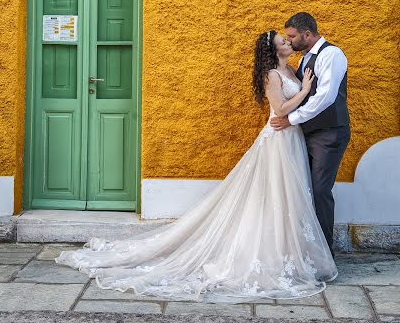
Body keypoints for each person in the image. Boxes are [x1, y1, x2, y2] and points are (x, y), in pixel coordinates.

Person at [56, 30, 338, 302]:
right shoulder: (273, 74)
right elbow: (280, 110)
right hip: (278, 137)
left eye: (288, 41)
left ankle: (288, 249)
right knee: (274, 192)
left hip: (292, 139)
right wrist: (305, 91)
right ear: (273, 50)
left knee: (288, 195)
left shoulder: (292, 70)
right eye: (283, 42)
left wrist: (303, 87)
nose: (289, 44)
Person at [270, 12, 350, 257]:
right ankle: (304, 250)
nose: (290, 40)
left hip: (328, 134)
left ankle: (325, 255)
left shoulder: (332, 55)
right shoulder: (303, 60)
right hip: (303, 135)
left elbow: (324, 97)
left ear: (307, 34)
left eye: (292, 36)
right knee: (302, 190)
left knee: (319, 190)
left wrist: (291, 119)